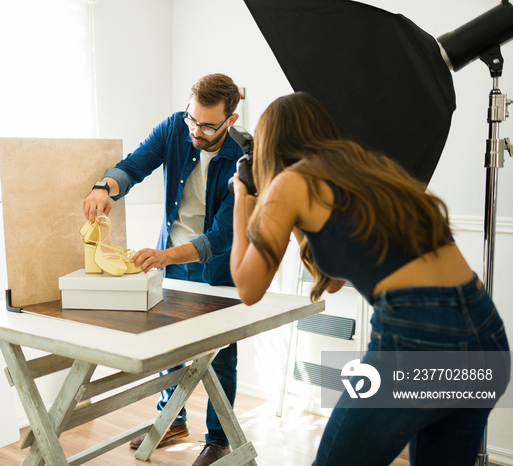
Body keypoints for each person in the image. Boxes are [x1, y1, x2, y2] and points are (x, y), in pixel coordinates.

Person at [229, 92, 510, 466]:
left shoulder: (290, 184)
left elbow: (248, 288)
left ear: (268, 150)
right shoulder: (365, 169)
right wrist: (293, 225)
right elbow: (329, 280)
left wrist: (241, 200)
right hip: (485, 334)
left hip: (418, 337)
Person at [82, 73, 243, 466]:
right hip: (170, 257)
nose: (196, 131)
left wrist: (165, 257)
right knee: (169, 343)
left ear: (231, 120)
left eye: (207, 125)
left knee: (219, 356)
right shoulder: (174, 127)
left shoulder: (245, 158)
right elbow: (134, 165)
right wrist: (105, 187)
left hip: (217, 268)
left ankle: (219, 440)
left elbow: (222, 235)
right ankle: (171, 420)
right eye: (193, 119)